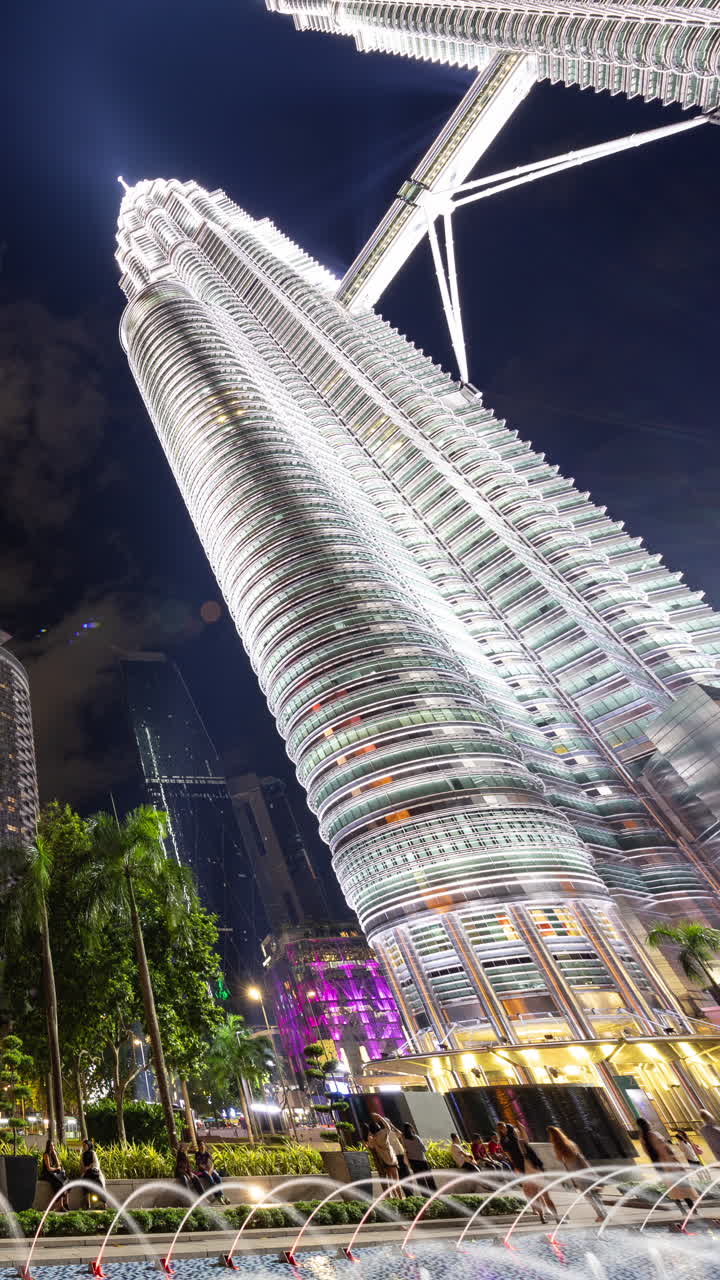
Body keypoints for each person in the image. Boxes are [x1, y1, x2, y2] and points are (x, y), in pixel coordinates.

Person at [498, 1121, 559, 1224]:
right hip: (529, 1168)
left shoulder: (510, 1143)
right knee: (540, 1194)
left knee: (539, 1194)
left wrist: (517, 1167)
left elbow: (514, 1156)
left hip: (527, 1169)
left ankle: (547, 1218)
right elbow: (514, 1155)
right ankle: (551, 1218)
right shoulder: (514, 1142)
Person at [637, 1116, 697, 1213]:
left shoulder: (643, 1139)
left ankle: (682, 1211)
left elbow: (647, 1153)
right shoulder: (654, 1134)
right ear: (647, 1124)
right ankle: (693, 1210)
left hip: (659, 1166)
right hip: (670, 1163)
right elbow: (667, 1148)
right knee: (682, 1185)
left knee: (672, 1188)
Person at [546, 1125, 606, 1222]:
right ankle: (604, 1214)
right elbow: (581, 1158)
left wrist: (572, 1180)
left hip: (577, 1176)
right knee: (595, 1195)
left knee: (589, 1197)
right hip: (585, 1171)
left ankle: (601, 1215)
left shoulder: (558, 1148)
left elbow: (565, 1165)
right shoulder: (571, 1144)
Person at [402, 1123, 436, 1193]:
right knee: (429, 1179)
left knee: (420, 1181)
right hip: (422, 1160)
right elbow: (424, 1149)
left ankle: (426, 1196)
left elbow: (405, 1150)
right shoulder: (416, 1137)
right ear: (411, 1129)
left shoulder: (404, 1140)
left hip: (413, 1162)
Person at [366, 1120, 401, 1189]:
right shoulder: (383, 1133)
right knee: (396, 1180)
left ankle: (395, 1197)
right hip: (391, 1159)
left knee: (390, 1180)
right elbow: (388, 1128)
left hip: (383, 1161)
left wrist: (369, 1135)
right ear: (378, 1127)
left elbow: (370, 1146)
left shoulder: (373, 1139)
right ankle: (400, 1198)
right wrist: (380, 1117)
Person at [42, 1140, 69, 1211]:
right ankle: (61, 1206)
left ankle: (66, 1203)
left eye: (53, 1145)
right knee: (59, 1184)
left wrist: (55, 1155)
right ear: (48, 1146)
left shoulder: (53, 1154)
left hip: (55, 1173)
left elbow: (58, 1165)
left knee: (66, 1181)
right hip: (47, 1174)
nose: (52, 1147)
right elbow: (48, 1168)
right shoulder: (46, 1155)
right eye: (50, 1145)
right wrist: (57, 1168)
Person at [80, 1139, 106, 1209]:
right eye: (83, 1146)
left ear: (89, 1145)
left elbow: (96, 1163)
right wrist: (85, 1169)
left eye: (85, 1145)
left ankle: (103, 1204)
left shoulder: (93, 1153)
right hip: (86, 1173)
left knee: (98, 1184)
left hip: (93, 1172)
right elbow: (82, 1165)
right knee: (85, 1185)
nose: (84, 1147)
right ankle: (87, 1204)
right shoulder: (82, 1155)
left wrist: (88, 1167)